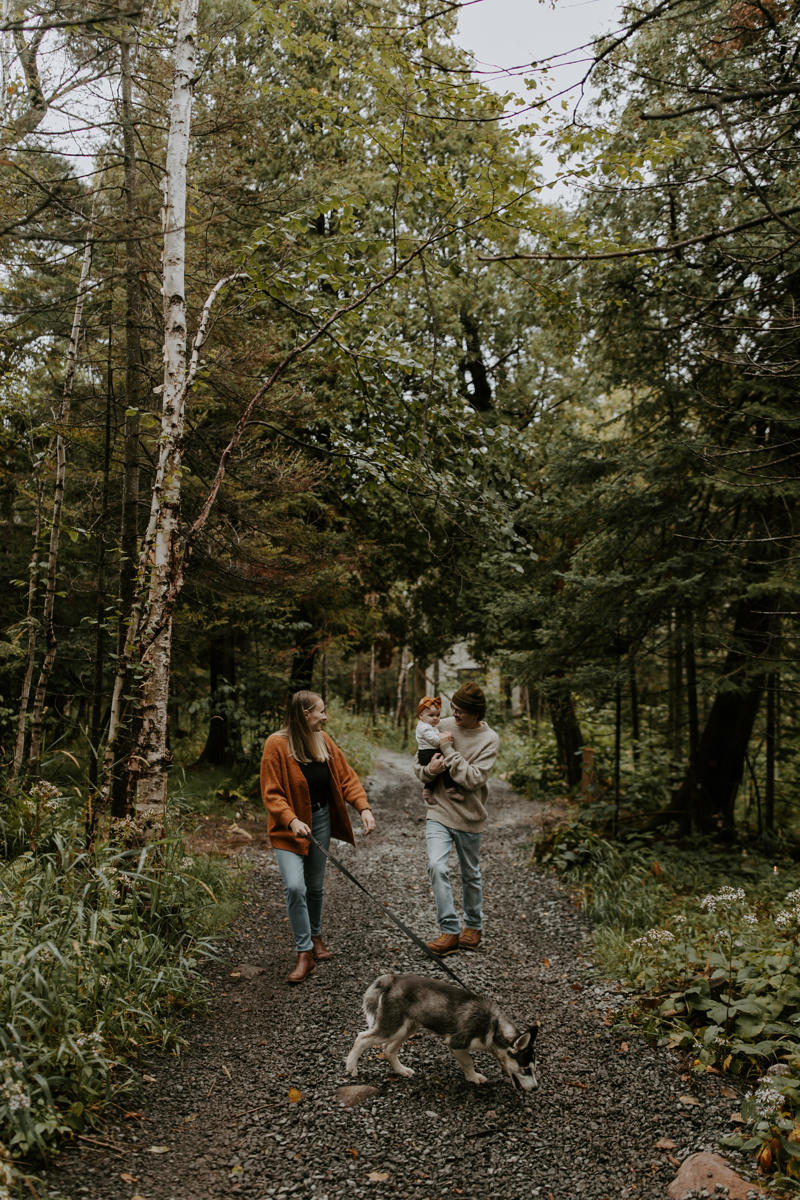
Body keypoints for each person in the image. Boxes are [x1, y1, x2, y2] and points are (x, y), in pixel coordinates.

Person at [260, 690, 375, 984]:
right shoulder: (276, 745)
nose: (325, 717)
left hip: (320, 821)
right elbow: (271, 793)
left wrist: (363, 808)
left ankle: (316, 936)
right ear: (305, 714)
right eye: (320, 712)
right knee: (295, 887)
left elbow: (346, 777)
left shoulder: (323, 741)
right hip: (289, 828)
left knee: (314, 887)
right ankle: (304, 953)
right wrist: (292, 819)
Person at [414, 681, 499, 956]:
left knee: (470, 874)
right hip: (439, 810)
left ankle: (473, 927)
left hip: (469, 816)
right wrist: (429, 772)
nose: (454, 714)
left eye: (460, 710)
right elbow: (418, 764)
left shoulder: (490, 740)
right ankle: (449, 930)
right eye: (454, 707)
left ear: (477, 713)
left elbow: (473, 779)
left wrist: (449, 751)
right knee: (436, 866)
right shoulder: (442, 724)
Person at [414, 695, 461, 802]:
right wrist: (445, 738)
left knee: (438, 772)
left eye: (438, 715)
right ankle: (450, 788)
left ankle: (428, 791)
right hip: (427, 753)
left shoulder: (429, 726)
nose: (435, 718)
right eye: (431, 715)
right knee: (445, 766)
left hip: (429, 751)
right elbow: (435, 742)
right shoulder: (424, 728)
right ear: (421, 716)